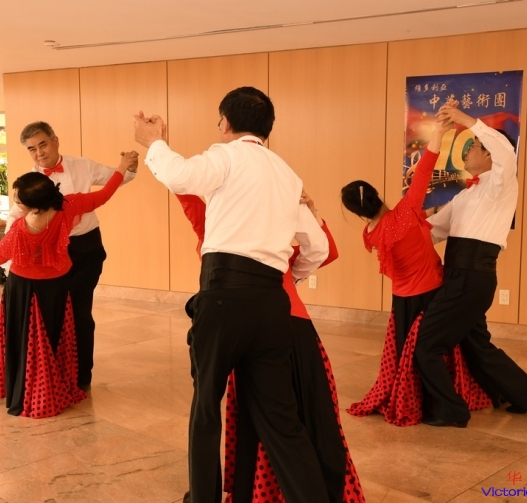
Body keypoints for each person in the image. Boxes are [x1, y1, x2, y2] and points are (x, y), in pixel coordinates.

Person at [134, 86, 331, 503]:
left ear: (224, 122)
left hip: (224, 298)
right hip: (272, 303)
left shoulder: (226, 156)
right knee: (281, 419)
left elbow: (179, 175)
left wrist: (154, 142)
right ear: (268, 128)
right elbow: (317, 248)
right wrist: (285, 277)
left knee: (207, 409)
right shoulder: (288, 174)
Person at [175, 191, 365, 502]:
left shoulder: (249, 238)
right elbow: (189, 201)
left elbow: (327, 252)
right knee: (294, 424)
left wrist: (312, 212)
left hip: (277, 332)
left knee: (285, 424)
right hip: (282, 329)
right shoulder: (252, 238)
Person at [341, 112, 491, 427]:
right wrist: (439, 131)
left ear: (357, 213)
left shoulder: (370, 234)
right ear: (376, 194)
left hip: (402, 303)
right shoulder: (406, 212)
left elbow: (413, 223)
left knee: (407, 357)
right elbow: (427, 165)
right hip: (431, 294)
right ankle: (443, 403)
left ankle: (414, 399)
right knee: (435, 352)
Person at [415, 104, 527, 427]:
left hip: (472, 275)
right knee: (476, 345)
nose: (466, 151)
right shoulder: (464, 196)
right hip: (461, 276)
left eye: (473, 146)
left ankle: (451, 410)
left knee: (426, 344)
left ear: (489, 153)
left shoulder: (501, 183)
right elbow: (432, 231)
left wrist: (463, 119)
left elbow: (504, 150)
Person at [0, 121, 136, 391]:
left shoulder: (82, 166)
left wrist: (129, 166)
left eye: (43, 145)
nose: (39, 153)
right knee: (45, 317)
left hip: (84, 248)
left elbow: (117, 181)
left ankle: (79, 376)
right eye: (31, 149)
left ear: (55, 140)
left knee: (79, 312)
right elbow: (16, 215)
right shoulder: (30, 182)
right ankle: (29, 376)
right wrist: (16, 247)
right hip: (48, 254)